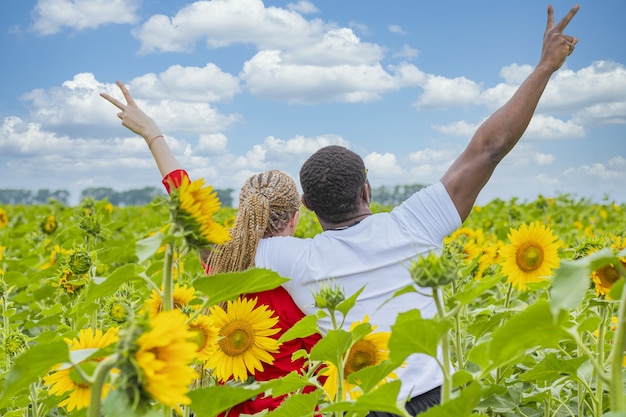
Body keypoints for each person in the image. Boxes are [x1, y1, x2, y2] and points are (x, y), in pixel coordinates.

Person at [102, 4, 579, 416]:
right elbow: (488, 148)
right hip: (441, 397)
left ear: (307, 208)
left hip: (362, 404)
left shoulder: (295, 261)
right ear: (367, 189)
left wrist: (155, 137)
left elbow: (202, 233)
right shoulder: (415, 223)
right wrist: (543, 70)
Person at [102, 86, 320, 415]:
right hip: (297, 408)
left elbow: (184, 197)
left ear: (243, 212)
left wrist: (152, 134)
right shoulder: (313, 264)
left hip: (228, 408)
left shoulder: (223, 260)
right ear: (295, 217)